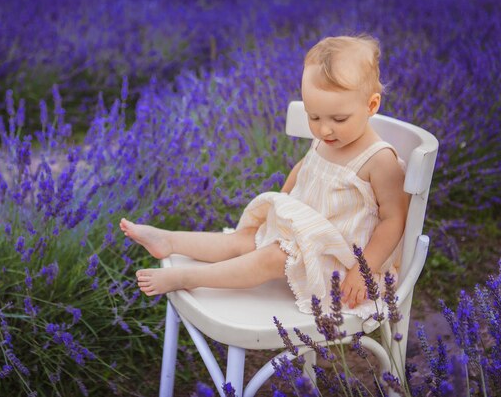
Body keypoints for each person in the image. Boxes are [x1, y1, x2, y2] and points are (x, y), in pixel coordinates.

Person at [119, 35, 409, 316]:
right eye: (314, 116)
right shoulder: (329, 140)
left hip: (339, 261)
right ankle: (170, 240)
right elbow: (306, 167)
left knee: (272, 256)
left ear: (371, 105)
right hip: (303, 237)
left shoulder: (380, 160)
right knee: (245, 239)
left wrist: (363, 270)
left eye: (338, 119)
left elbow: (393, 220)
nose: (323, 130)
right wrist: (282, 204)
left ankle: (192, 278)